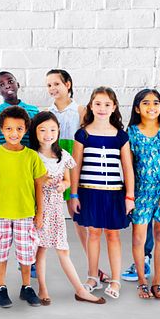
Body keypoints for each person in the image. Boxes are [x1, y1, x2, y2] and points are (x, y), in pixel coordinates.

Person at [28, 112, 104, 305]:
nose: (48, 134)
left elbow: (68, 180)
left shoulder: (63, 156)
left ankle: (80, 290)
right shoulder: (31, 156)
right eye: (42, 130)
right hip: (39, 209)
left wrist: (64, 185)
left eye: (52, 130)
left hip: (55, 210)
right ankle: (43, 288)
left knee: (63, 250)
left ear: (58, 131)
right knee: (41, 250)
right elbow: (29, 182)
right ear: (35, 132)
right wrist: (43, 181)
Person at [71, 88, 135, 300]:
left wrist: (130, 196)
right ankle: (92, 276)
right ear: (91, 106)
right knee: (93, 234)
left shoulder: (120, 136)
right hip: (89, 193)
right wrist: (74, 195)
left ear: (114, 107)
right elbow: (75, 167)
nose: (102, 108)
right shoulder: (83, 134)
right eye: (98, 104)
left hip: (114, 193)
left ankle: (115, 279)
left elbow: (128, 168)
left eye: (107, 104)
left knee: (113, 235)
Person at [0, 106, 47, 308]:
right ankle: (1, 287)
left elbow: (39, 185)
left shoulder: (31, 156)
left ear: (26, 130)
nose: (14, 133)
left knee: (26, 253)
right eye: (9, 129)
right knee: (1, 251)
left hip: (26, 214)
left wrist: (39, 213)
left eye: (19, 129)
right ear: (2, 130)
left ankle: (26, 287)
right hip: (2, 213)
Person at [127, 90, 160, 300]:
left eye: (156, 103)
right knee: (139, 238)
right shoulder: (131, 133)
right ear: (138, 108)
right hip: (141, 192)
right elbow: (128, 167)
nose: (152, 107)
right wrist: (130, 196)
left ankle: (156, 282)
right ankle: (142, 281)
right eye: (146, 103)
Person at [46, 69, 88, 255]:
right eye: (49, 85)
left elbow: (85, 141)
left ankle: (91, 259)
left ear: (67, 84)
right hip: (54, 166)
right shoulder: (48, 113)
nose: (53, 88)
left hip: (74, 165)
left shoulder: (80, 111)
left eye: (56, 84)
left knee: (76, 213)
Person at [0, 71, 39, 149]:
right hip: (2, 157)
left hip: (27, 157)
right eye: (1, 85)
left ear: (18, 84)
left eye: (10, 82)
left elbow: (36, 135)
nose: (7, 86)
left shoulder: (33, 110)